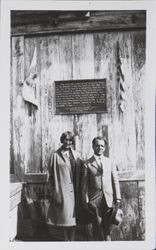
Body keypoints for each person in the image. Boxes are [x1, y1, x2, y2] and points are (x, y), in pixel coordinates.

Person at [81, 136, 121, 241]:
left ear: (105, 147)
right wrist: (85, 201)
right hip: (94, 201)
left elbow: (115, 180)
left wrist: (118, 198)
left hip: (108, 199)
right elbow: (84, 184)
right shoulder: (87, 163)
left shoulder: (110, 162)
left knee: (107, 228)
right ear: (93, 147)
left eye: (102, 146)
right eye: (97, 145)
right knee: (97, 227)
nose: (100, 148)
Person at [47, 131, 83, 241]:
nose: (68, 142)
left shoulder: (76, 155)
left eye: (70, 140)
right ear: (62, 140)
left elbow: (82, 172)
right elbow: (50, 176)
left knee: (74, 218)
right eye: (66, 140)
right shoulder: (55, 156)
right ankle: (66, 240)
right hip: (62, 191)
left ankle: (71, 240)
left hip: (75, 191)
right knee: (64, 218)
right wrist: (53, 191)